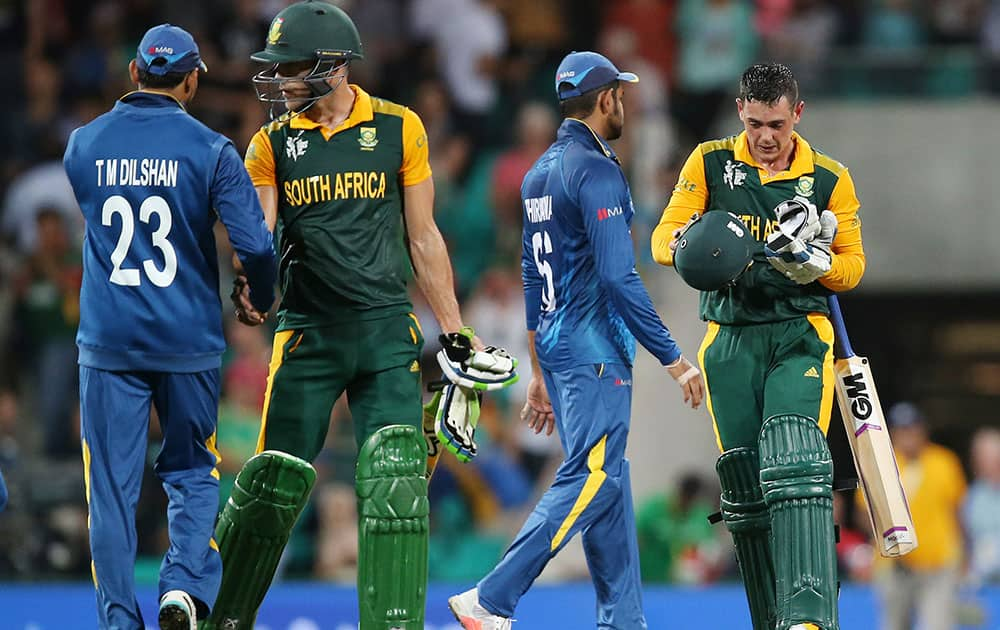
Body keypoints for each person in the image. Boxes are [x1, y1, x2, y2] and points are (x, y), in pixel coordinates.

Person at [205, 3, 514, 629]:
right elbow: (259, 238)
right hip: (307, 335)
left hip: (383, 331)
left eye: (292, 67)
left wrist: (455, 333)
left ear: (334, 65)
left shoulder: (401, 128)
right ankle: (224, 622)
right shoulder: (269, 141)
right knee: (270, 486)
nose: (280, 81)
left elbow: (423, 237)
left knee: (397, 478)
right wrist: (252, 284)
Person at [448, 50, 705, 630]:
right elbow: (619, 275)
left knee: (609, 481)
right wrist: (673, 357)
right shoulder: (596, 170)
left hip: (563, 350)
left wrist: (538, 369)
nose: (627, 106)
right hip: (594, 352)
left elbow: (532, 273)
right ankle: (492, 598)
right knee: (591, 475)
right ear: (606, 99)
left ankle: (624, 620)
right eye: (621, 95)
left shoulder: (541, 170)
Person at [62, 23, 276, 630]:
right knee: (191, 470)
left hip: (108, 344)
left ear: (134, 73)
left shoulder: (83, 145)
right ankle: (181, 586)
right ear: (192, 80)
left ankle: (118, 621)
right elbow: (256, 248)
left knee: (109, 492)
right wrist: (256, 297)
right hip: (187, 341)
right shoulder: (211, 150)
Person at [651, 62, 866, 630]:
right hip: (728, 337)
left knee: (795, 458)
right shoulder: (709, 162)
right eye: (754, 124)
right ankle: (772, 620)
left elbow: (853, 267)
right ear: (740, 113)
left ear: (797, 113)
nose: (765, 137)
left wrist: (816, 265)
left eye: (776, 123)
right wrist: (698, 246)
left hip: (800, 333)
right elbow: (660, 240)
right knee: (748, 485)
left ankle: (809, 617)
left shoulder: (828, 178)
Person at [873, 402, 966, 630]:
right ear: (892, 433)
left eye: (913, 428)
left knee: (938, 625)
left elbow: (958, 511)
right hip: (894, 564)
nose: (908, 435)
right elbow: (866, 514)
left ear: (923, 429)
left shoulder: (943, 461)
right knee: (893, 625)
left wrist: (965, 555)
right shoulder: (882, 462)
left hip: (937, 563)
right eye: (902, 429)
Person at [963, 426, 1000, 584]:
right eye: (980, 458)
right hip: (982, 582)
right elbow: (964, 537)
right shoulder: (971, 496)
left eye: (990, 458)